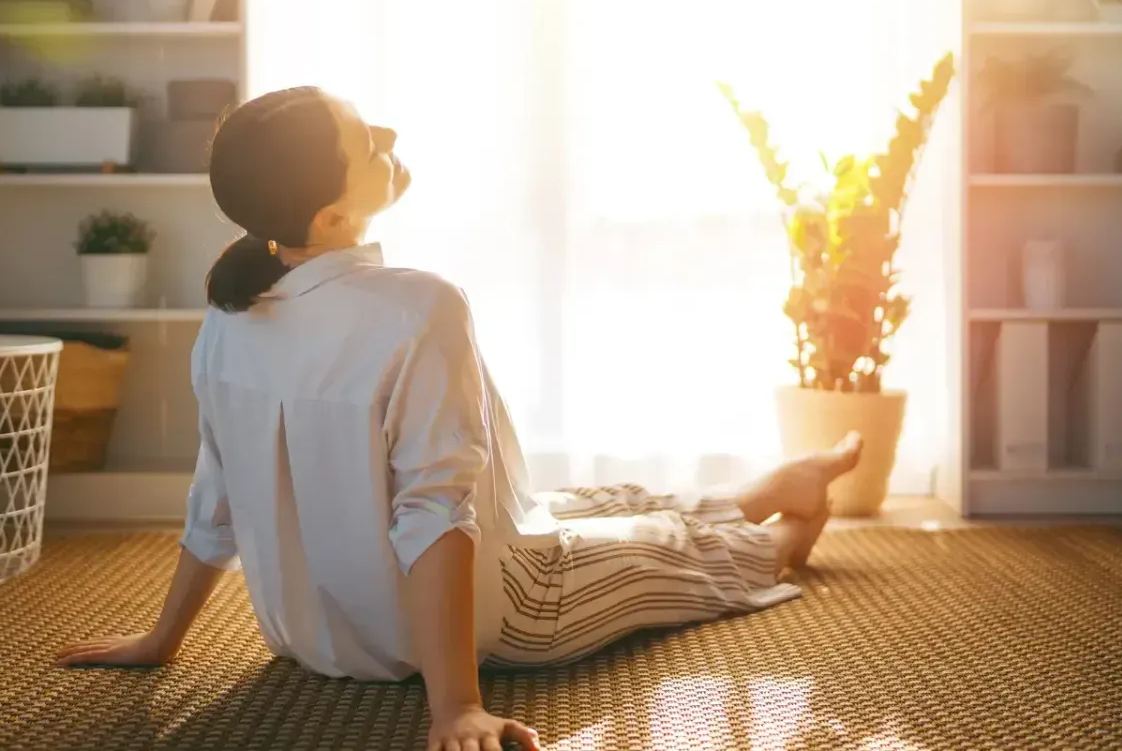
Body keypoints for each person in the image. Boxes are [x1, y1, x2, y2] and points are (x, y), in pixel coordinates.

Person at [54, 86, 863, 751]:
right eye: (365, 141)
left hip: (309, 635)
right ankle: (787, 536)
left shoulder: (229, 315)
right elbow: (433, 511)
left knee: (605, 500)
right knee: (671, 559)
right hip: (506, 608)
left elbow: (216, 496)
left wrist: (163, 640)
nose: (388, 134)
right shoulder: (418, 306)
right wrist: (456, 710)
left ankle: (772, 483)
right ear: (330, 218)